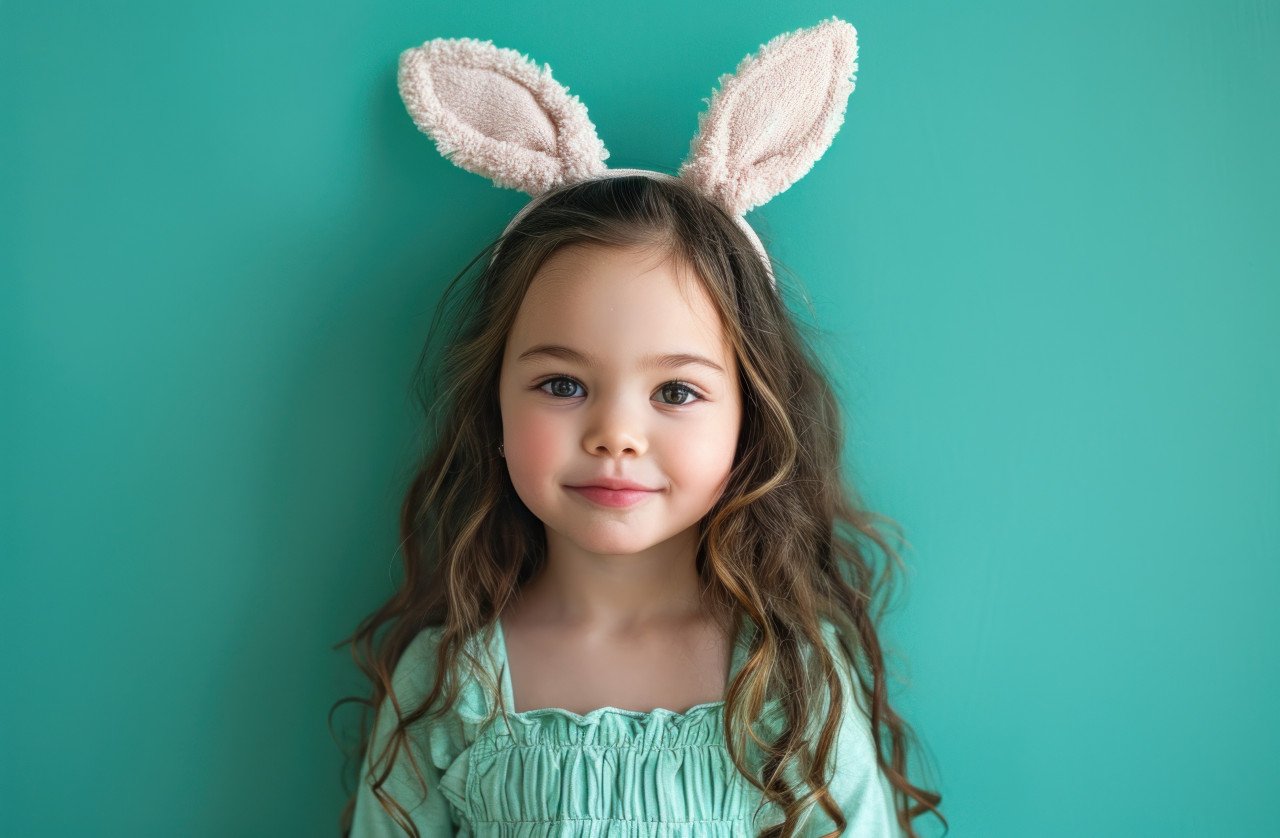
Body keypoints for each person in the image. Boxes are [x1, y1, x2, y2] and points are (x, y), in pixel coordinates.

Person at [336, 16, 947, 838]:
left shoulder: (794, 686)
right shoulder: (447, 690)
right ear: (495, 407)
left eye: (677, 392)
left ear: (751, 417)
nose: (616, 433)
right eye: (562, 383)